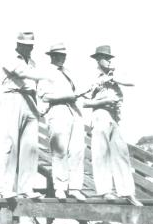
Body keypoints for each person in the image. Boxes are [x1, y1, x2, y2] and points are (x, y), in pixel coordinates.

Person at [83, 45, 142, 206]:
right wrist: (104, 100)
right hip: (100, 114)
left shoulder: (115, 77)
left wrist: (113, 78)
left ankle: (127, 192)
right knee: (101, 153)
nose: (109, 61)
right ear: (97, 59)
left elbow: (133, 82)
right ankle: (105, 191)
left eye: (110, 58)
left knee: (121, 152)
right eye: (105, 58)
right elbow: (83, 101)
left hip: (114, 118)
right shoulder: (93, 78)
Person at [0, 32, 47, 199]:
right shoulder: (10, 57)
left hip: (30, 100)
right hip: (13, 97)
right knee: (11, 142)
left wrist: (40, 103)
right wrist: (47, 75)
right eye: (26, 45)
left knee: (30, 146)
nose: (30, 48)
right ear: (18, 44)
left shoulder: (33, 63)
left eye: (31, 45)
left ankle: (26, 188)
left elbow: (37, 85)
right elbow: (21, 74)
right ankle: (6, 187)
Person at [38, 43, 86, 200]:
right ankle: (60, 187)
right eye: (59, 55)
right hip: (57, 110)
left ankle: (75, 187)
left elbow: (75, 93)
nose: (62, 58)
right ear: (51, 56)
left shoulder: (68, 73)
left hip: (74, 111)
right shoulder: (45, 72)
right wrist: (66, 96)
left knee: (77, 150)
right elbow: (45, 96)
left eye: (63, 55)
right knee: (60, 150)